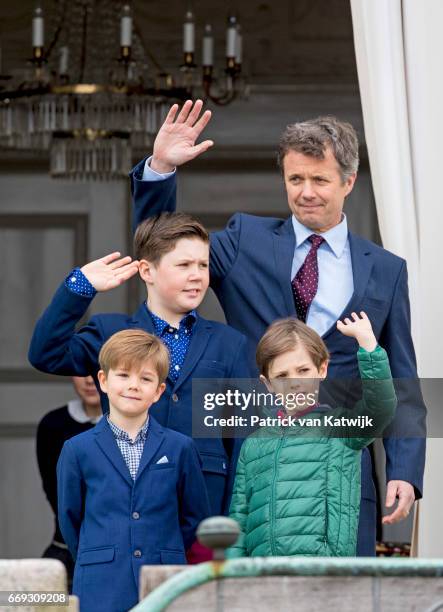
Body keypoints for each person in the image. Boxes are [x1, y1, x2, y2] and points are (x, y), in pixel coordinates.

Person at [129, 100, 426, 555]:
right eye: (295, 179)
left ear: (348, 182)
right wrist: (162, 168)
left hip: (341, 479)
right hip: (256, 471)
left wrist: (405, 467)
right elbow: (165, 244)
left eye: (320, 180)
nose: (306, 192)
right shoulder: (244, 240)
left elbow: (401, 381)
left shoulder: (386, 269)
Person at [29, 213, 251, 532]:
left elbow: (241, 440)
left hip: (204, 515)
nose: (198, 275)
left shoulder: (229, 343)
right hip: (126, 509)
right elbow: (45, 354)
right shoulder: (112, 331)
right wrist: (78, 288)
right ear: (147, 270)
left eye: (203, 265)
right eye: (184, 265)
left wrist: (233, 526)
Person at [57, 329, 210, 612]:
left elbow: (193, 518)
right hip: (101, 583)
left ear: (159, 391)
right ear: (103, 380)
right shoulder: (77, 450)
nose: (134, 385)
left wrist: (166, 549)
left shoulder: (180, 447)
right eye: (124, 375)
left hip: (164, 580)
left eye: (146, 378)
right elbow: (70, 520)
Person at [228, 312, 396, 558]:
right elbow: (239, 521)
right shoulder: (253, 446)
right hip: (263, 576)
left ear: (322, 369)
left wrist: (369, 346)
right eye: (282, 376)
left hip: (323, 572)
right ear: (268, 384)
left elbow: (380, 408)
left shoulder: (341, 429)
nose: (294, 382)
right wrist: (234, 577)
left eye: (303, 370)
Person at [36, 376, 102, 589]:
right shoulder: (52, 424)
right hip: (64, 549)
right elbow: (54, 491)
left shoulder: (130, 427)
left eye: (97, 370)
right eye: (81, 371)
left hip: (113, 554)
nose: (89, 380)